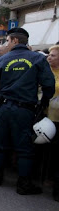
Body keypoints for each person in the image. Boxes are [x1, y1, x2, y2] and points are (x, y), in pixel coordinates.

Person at [0, 28, 55, 195]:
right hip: (24, 109)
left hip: (4, 108)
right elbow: (48, 85)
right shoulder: (38, 59)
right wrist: (44, 102)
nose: (6, 43)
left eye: (7, 40)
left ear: (15, 41)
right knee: (24, 147)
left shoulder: (3, 59)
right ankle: (23, 184)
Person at [46, 45, 59, 201]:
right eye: (49, 54)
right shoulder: (45, 71)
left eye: (53, 55)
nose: (49, 57)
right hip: (46, 117)